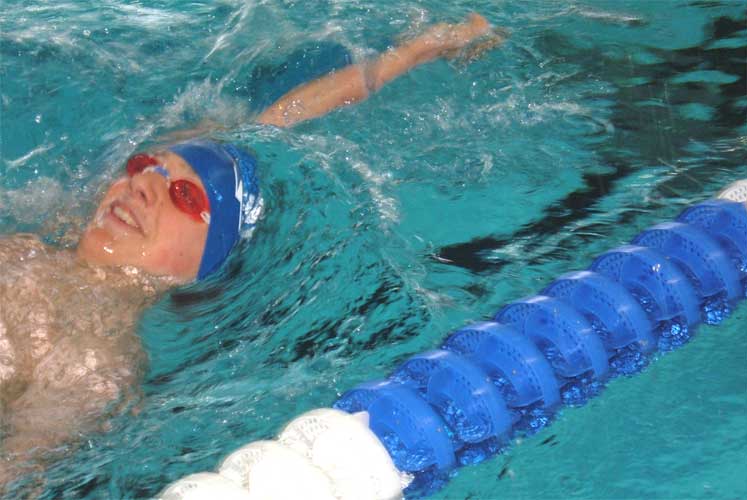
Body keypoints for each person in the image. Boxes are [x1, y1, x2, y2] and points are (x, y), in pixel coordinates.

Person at [0, 13, 503, 490]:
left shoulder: (92, 368)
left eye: (183, 196)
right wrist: (413, 52)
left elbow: (17, 472)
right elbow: (271, 124)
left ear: (203, 266)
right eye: (144, 168)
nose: (143, 186)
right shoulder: (45, 236)